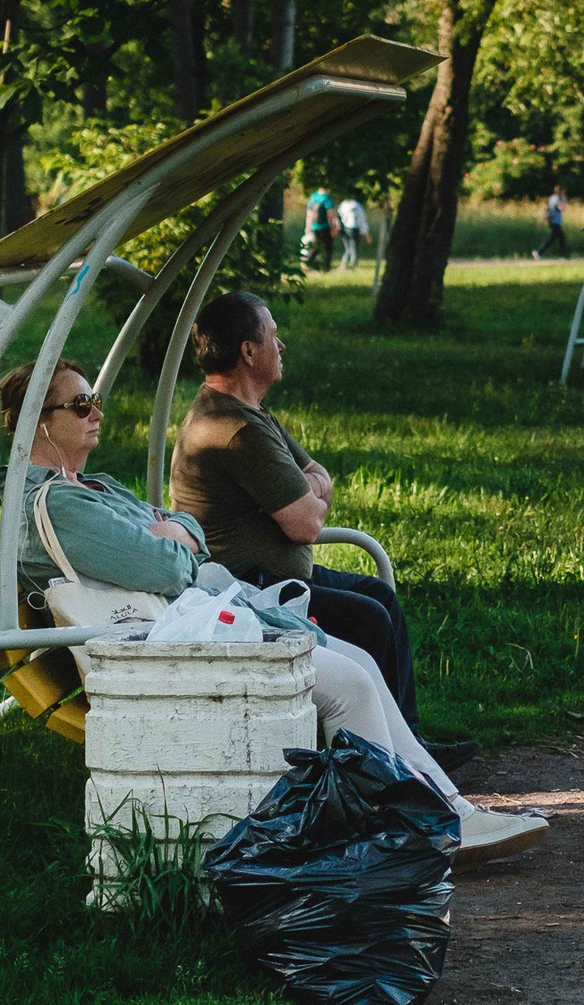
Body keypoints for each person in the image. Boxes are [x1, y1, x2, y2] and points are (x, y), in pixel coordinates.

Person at [0, 356, 541, 859]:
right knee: (346, 683)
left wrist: (173, 534)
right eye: (80, 405)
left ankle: (444, 811)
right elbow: (167, 565)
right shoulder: (60, 506)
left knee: (360, 662)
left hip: (185, 629)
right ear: (37, 423)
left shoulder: (90, 487)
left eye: (95, 401)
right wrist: (172, 540)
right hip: (160, 656)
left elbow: (186, 533)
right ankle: (423, 825)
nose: (96, 413)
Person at [167, 293, 469, 771]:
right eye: (273, 335)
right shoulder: (233, 427)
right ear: (249, 351)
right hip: (250, 592)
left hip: (276, 578)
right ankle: (377, 764)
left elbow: (318, 476)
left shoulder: (248, 412)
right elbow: (307, 523)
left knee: (380, 599)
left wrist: (309, 491)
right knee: (369, 616)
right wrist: (309, 494)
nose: (281, 345)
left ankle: (408, 746)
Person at [302, 188, 336, 270]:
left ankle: (307, 262)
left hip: (314, 226)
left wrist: (307, 226)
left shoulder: (313, 196)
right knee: (328, 247)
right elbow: (330, 213)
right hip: (325, 226)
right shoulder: (327, 198)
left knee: (316, 246)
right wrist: (333, 226)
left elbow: (309, 213)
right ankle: (326, 267)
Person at [534, 184, 570, 259]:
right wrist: (564, 200)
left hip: (552, 221)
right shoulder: (557, 199)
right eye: (563, 191)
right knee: (554, 239)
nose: (564, 192)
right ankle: (538, 252)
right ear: (560, 191)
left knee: (560, 238)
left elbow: (547, 209)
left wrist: (543, 219)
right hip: (555, 222)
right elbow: (562, 208)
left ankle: (563, 255)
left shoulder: (552, 198)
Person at [336, 195, 367, 270]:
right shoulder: (357, 206)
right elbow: (361, 220)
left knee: (347, 247)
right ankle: (352, 264)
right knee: (353, 247)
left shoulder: (343, 205)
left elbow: (338, 216)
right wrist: (365, 232)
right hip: (354, 228)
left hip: (344, 228)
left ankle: (345, 263)